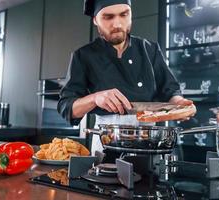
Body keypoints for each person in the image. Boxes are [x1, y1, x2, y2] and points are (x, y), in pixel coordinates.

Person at [58, 0, 194, 154]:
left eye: (124, 15)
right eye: (108, 17)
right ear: (95, 19)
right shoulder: (83, 56)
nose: (117, 24)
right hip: (108, 141)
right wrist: (95, 98)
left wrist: (179, 103)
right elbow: (66, 107)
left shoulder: (150, 50)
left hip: (150, 138)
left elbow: (170, 91)